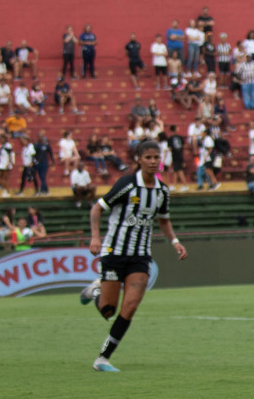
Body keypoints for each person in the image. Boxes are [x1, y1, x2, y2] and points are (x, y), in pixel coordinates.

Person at [78, 141, 187, 372]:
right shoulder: (126, 184)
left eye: (156, 157)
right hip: (114, 253)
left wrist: (175, 242)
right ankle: (95, 290)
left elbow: (164, 219)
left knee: (130, 306)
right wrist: (95, 238)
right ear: (138, 159)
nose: (153, 161)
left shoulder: (162, 190)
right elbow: (97, 208)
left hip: (140, 256)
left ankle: (102, 359)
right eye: (148, 157)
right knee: (108, 311)